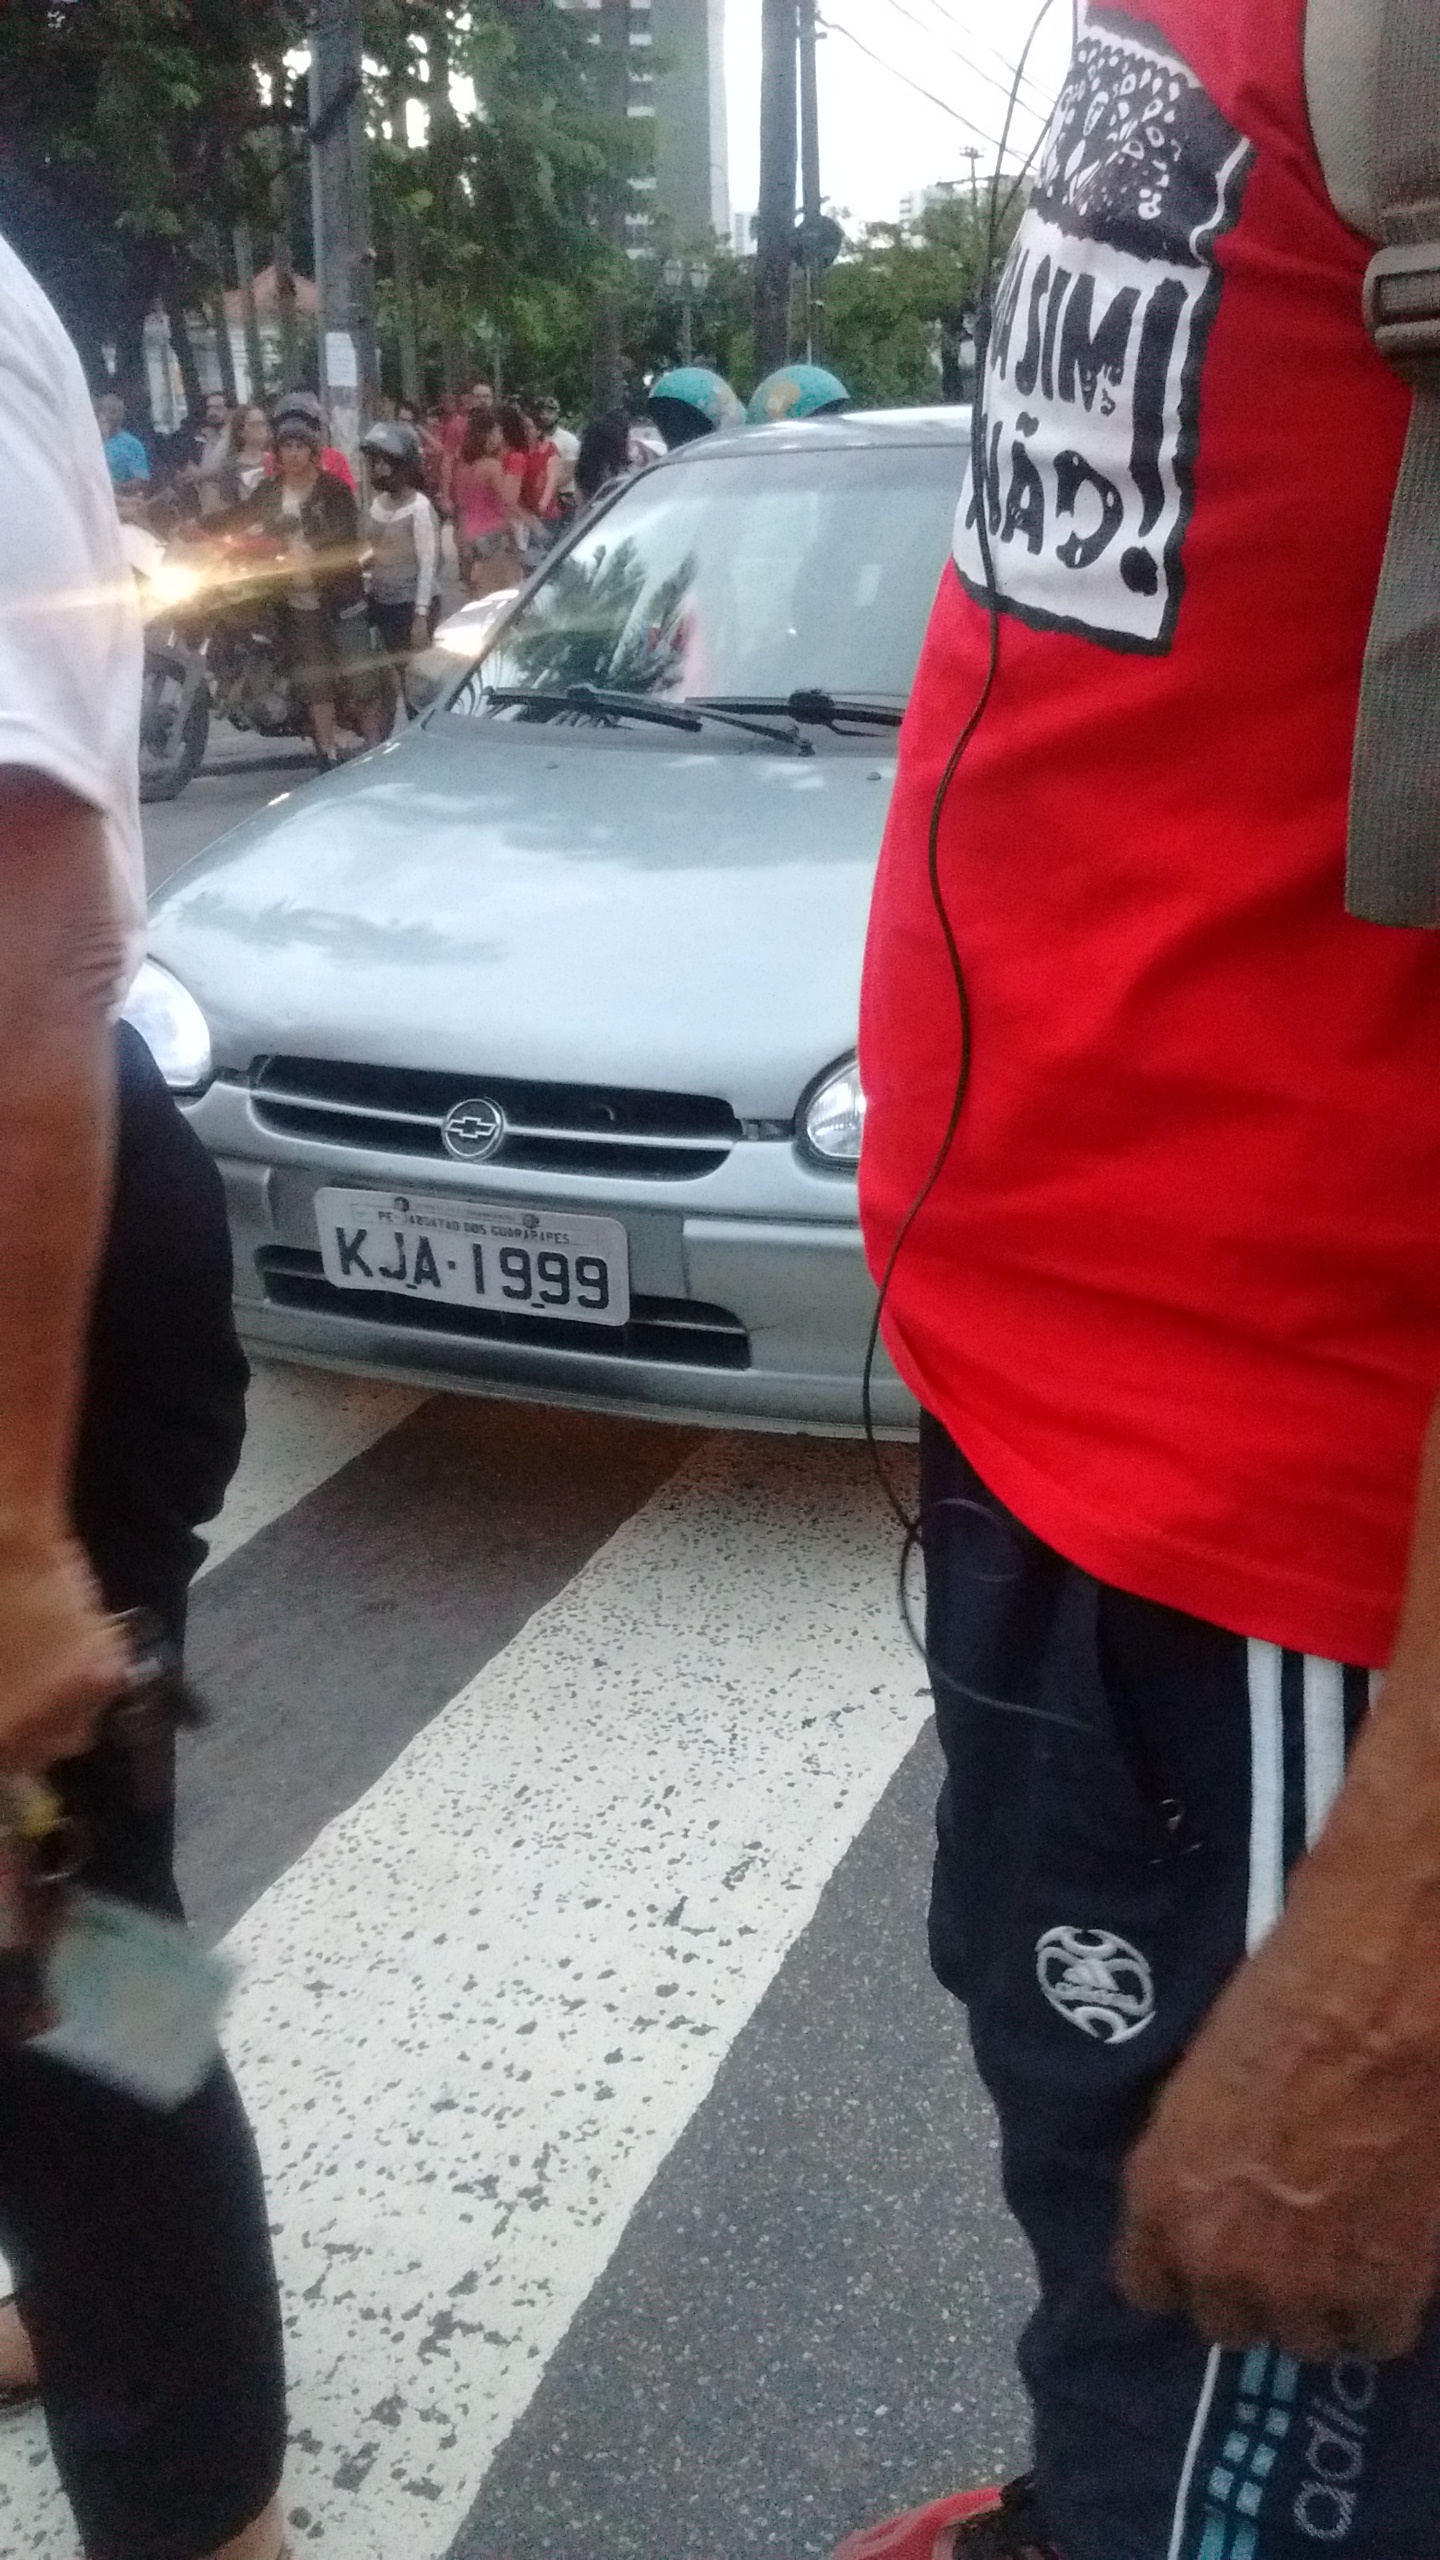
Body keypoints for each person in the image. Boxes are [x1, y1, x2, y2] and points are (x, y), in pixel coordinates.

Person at [845, 4, 1440, 2557]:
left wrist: (1394, 1940)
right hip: (1081, 1476)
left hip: (1295, 1562)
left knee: (1238, 2372)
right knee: (1114, 2232)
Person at [0, 225, 287, 2560]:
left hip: (42, 1259)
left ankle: (202, 2498)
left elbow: (36, 943)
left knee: (78, 1932)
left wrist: (18, 1537)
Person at [244, 403, 369, 766]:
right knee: (316, 680)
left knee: (359, 677)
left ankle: (376, 749)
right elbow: (242, 517)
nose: (293, 453)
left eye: (300, 446)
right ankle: (327, 752)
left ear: (312, 450)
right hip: (296, 600)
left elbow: (345, 532)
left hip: (338, 596)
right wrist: (201, 529)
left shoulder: (333, 490)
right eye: (287, 446)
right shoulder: (269, 490)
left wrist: (313, 548)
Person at [359, 418, 439, 738]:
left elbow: (429, 563)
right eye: (374, 462)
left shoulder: (419, 508)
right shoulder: (376, 506)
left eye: (384, 462)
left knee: (414, 678)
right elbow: (368, 552)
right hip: (382, 602)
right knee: (387, 675)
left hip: (410, 605)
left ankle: (421, 734)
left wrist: (420, 615)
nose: (377, 469)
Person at [451, 407, 527, 597]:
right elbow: (505, 503)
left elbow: (462, 505)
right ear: (488, 436)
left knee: (479, 592)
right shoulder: (492, 466)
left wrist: (463, 540)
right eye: (498, 432)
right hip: (493, 534)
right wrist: (530, 523)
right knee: (503, 592)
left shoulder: (464, 468)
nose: (501, 436)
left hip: (471, 535)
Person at [95, 391, 149, 490]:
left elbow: (141, 481)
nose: (109, 417)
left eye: (113, 412)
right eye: (102, 413)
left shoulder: (132, 444)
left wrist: (116, 487)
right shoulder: (89, 442)